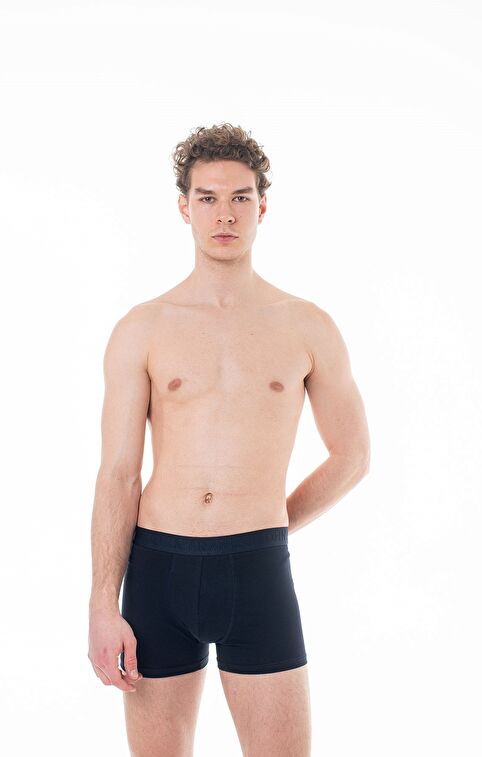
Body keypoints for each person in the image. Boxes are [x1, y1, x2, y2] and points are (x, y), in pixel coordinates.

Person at [88, 122, 370, 757]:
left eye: (240, 197)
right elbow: (118, 474)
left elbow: (353, 455)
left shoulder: (307, 325)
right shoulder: (142, 328)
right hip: (157, 570)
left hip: (257, 569)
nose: (224, 214)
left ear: (262, 207)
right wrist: (103, 603)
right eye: (208, 198)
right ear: (184, 207)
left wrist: (274, 523)